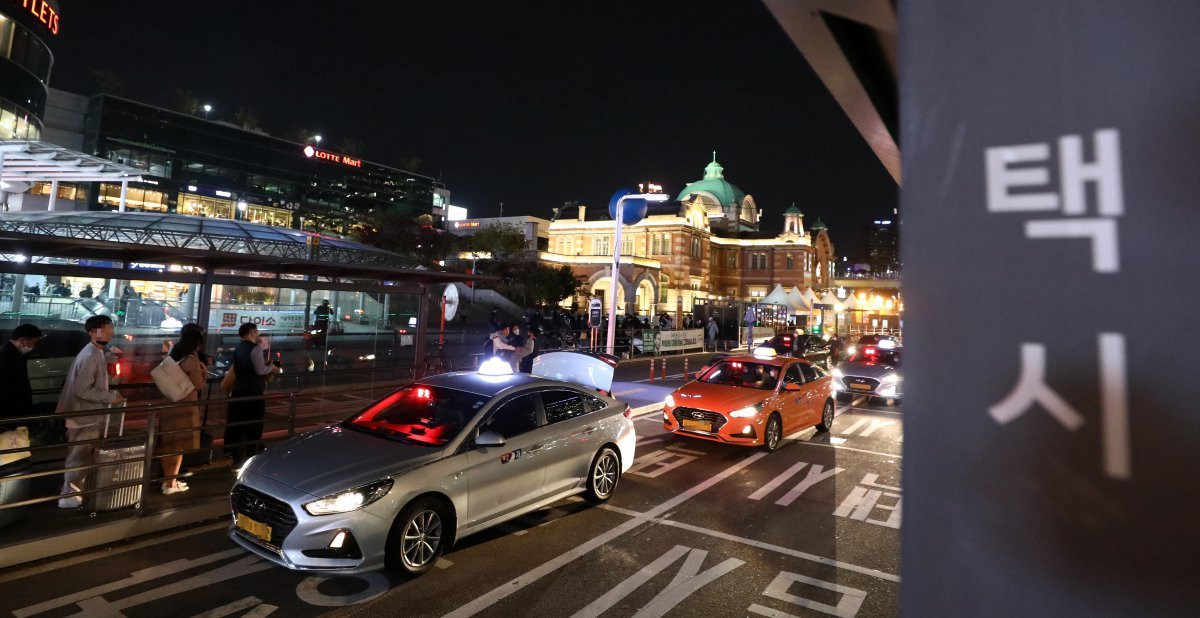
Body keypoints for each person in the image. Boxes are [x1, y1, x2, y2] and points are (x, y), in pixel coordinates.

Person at [55, 315, 126, 509]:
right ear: (92, 332)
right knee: (79, 455)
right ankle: (69, 495)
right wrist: (111, 397)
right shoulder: (92, 354)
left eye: (110, 329)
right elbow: (82, 389)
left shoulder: (94, 352)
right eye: (106, 329)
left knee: (81, 455)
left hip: (82, 414)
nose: (110, 332)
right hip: (83, 416)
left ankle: (74, 491)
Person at [223, 323, 279, 469]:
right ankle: (250, 461)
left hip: (238, 392)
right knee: (254, 428)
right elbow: (260, 370)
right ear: (252, 333)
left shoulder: (238, 348)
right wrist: (272, 367)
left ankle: (236, 460)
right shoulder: (255, 349)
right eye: (256, 332)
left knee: (239, 427)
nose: (258, 334)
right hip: (253, 393)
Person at [158, 329, 206, 495]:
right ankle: (171, 485)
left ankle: (167, 481)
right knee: (179, 446)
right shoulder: (192, 359)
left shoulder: (174, 353)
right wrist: (203, 370)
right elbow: (198, 384)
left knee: (168, 444)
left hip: (169, 402)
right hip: (184, 405)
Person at [0, 324, 42, 430]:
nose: (34, 347)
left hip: (14, 411)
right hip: (9, 412)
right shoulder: (5, 356)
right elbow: (6, 389)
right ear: (23, 340)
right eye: (33, 342)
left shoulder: (16, 353)